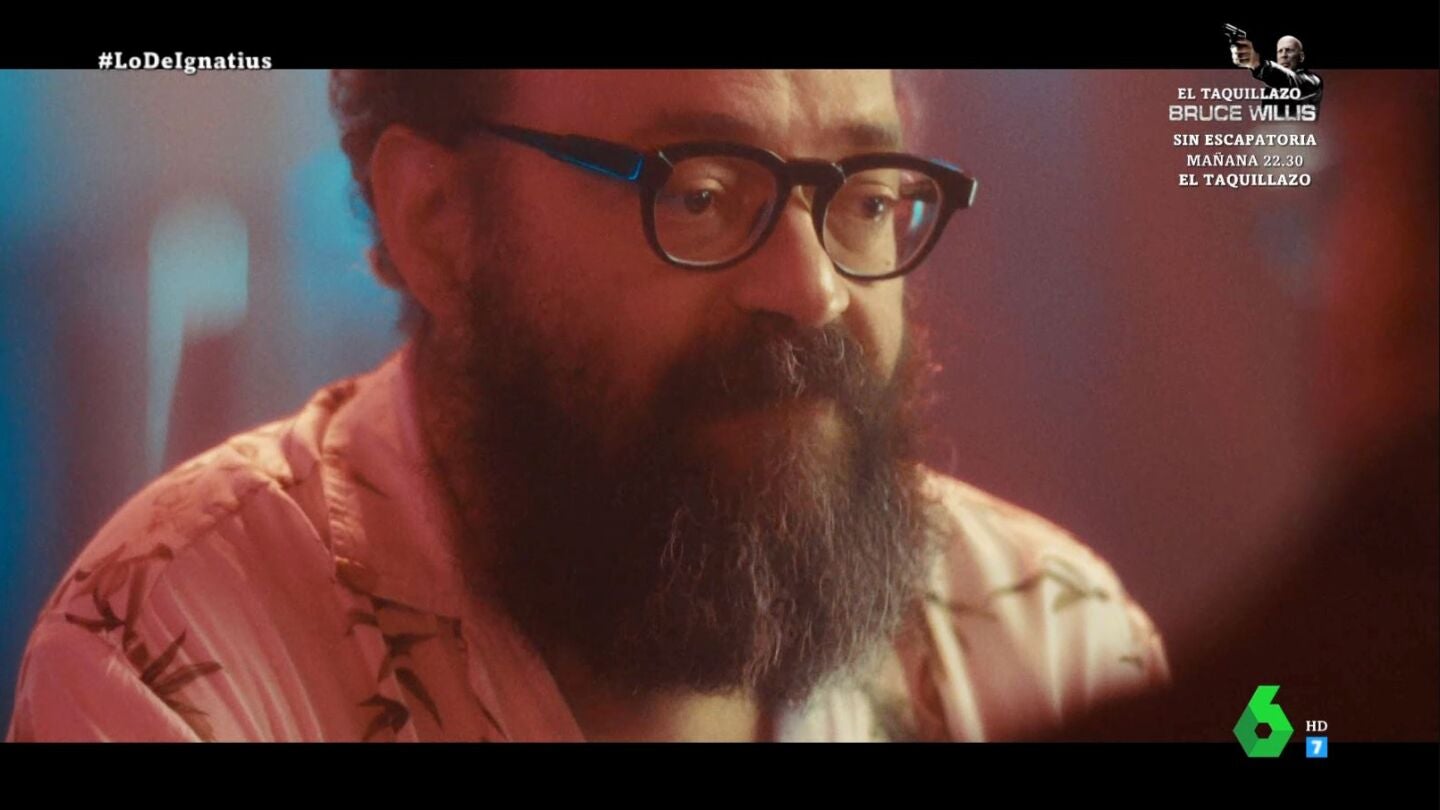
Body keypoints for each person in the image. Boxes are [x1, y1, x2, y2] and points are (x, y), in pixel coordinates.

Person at [7, 70, 1167, 742]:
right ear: (439, 223)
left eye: (864, 199)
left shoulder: (1053, 647)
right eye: (701, 193)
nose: (813, 291)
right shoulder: (177, 660)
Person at [1232, 35, 1324, 110]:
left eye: (1289, 50)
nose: (1283, 55)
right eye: (1280, 51)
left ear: (1301, 56)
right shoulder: (1271, 87)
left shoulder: (1313, 81)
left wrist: (1257, 64)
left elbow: (1292, 82)